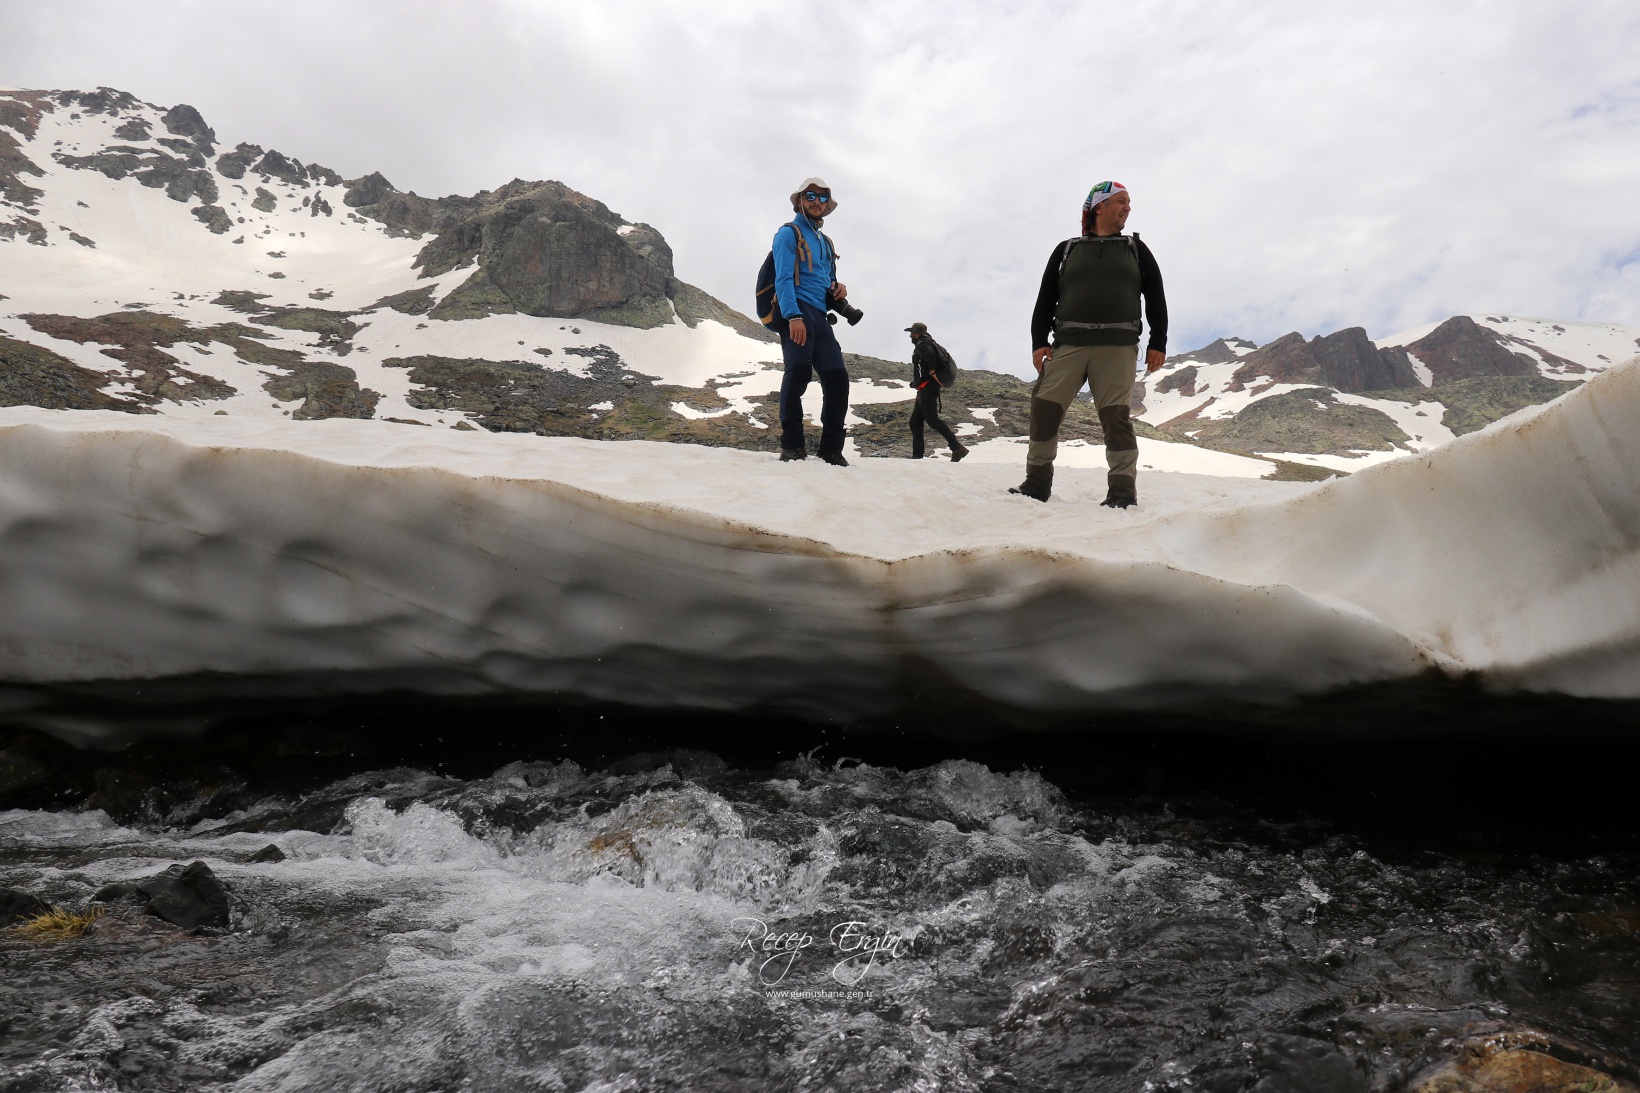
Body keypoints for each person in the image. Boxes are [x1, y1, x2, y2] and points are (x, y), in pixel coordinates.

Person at [1013, 180, 1167, 506]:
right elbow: (1045, 298)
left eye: (1129, 203)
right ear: (1100, 207)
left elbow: (1156, 296)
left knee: (1115, 418)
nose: (1128, 207)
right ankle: (1036, 484)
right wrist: (1039, 341)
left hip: (1118, 346)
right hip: (1068, 344)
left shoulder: (1136, 249)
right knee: (1044, 408)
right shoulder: (1067, 249)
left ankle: (1122, 493)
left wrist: (1158, 341)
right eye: (1121, 201)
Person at [772, 177, 851, 466]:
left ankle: (831, 450)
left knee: (837, 379)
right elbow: (782, 278)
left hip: (820, 315)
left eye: (821, 198)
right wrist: (792, 316)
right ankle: (791, 446)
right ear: (800, 200)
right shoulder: (788, 233)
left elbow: (824, 278)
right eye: (810, 196)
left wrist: (837, 287)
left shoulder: (824, 242)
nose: (816, 202)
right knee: (798, 372)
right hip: (797, 310)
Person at [905, 322, 968, 461]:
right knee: (915, 421)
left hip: (928, 386)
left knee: (932, 419)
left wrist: (932, 371)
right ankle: (917, 455)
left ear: (916, 333)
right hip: (924, 387)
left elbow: (929, 356)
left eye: (911, 332)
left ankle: (957, 447)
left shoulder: (922, 343)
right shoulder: (927, 342)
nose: (910, 335)